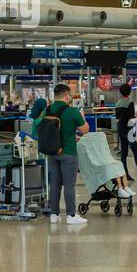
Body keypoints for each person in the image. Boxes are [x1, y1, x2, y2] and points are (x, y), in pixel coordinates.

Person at [35, 84, 89, 225]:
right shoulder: (72, 111)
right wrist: (82, 117)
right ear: (66, 95)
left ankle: (54, 214)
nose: (71, 97)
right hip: (68, 153)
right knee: (69, 185)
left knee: (55, 185)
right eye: (70, 95)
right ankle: (71, 215)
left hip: (52, 152)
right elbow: (85, 130)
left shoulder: (46, 110)